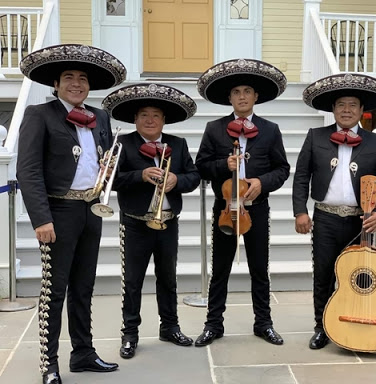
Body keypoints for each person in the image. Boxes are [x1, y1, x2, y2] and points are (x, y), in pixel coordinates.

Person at [17, 44, 126, 384]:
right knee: (55, 289)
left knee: (83, 286)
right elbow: (28, 171)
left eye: (82, 78)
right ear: (56, 83)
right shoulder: (40, 114)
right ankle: (48, 364)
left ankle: (83, 353)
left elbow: (105, 160)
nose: (77, 83)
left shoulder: (100, 117)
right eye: (69, 78)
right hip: (58, 211)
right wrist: (41, 219)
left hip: (90, 209)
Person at [293, 73, 376, 350]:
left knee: (358, 274)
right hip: (325, 217)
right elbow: (302, 175)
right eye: (341, 105)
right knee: (324, 273)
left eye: (353, 105)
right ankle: (322, 327)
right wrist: (300, 211)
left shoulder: (375, 142)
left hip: (360, 221)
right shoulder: (316, 136)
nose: (347, 110)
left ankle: (353, 322)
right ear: (333, 109)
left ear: (362, 110)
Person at [194, 59, 290, 347]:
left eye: (248, 91)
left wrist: (262, 183)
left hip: (256, 208)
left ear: (256, 96)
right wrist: (224, 164)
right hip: (225, 208)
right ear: (230, 98)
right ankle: (213, 324)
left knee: (259, 267)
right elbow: (201, 166)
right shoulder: (214, 128)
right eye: (237, 92)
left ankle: (263, 323)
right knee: (220, 268)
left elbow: (282, 169)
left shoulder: (270, 129)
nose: (243, 96)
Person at [102, 83, 200, 358]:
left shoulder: (177, 145)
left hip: (168, 222)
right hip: (135, 223)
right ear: (135, 119)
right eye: (143, 114)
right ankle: (130, 334)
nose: (149, 120)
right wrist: (140, 175)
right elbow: (111, 180)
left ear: (163, 120)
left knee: (168, 278)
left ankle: (170, 327)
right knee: (132, 281)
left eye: (155, 115)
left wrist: (176, 179)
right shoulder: (123, 144)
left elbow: (193, 177)